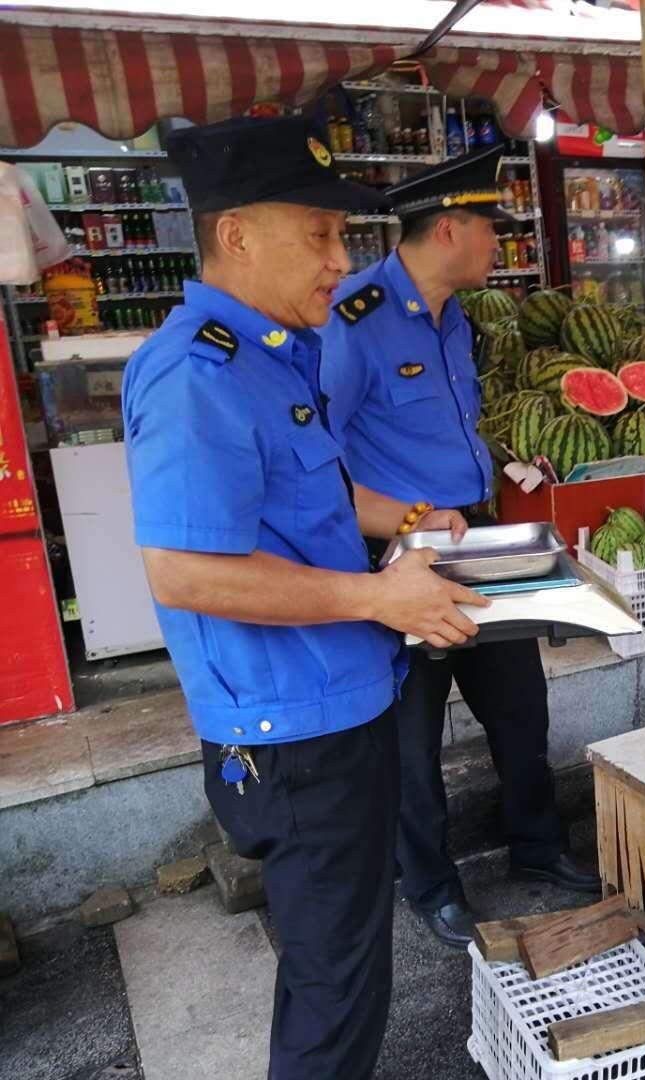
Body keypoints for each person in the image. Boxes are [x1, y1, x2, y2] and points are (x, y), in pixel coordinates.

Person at [122, 115, 485, 1079]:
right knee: (337, 980)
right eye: (319, 234)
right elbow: (185, 571)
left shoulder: (271, 350)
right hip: (292, 733)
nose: (341, 258)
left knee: (351, 963)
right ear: (235, 235)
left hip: (339, 701)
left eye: (341, 235)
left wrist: (413, 515)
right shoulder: (197, 374)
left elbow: (309, 493)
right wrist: (377, 600)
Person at [319, 150, 600, 950]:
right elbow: (320, 467)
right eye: (488, 229)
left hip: (479, 537)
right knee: (412, 737)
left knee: (519, 708)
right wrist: (400, 526)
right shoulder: (354, 322)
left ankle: (539, 848)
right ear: (448, 228)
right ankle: (433, 885)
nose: (496, 245)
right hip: (404, 556)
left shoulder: (455, 317)